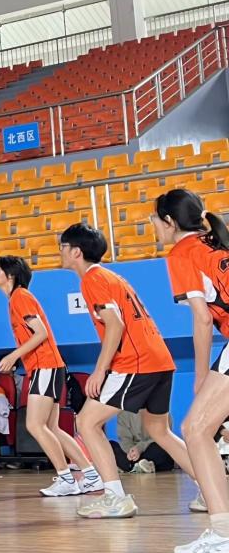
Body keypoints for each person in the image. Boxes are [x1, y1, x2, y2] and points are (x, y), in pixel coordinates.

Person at [59, 223, 198, 520]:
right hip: (159, 359)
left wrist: (100, 370)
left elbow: (115, 325)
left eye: (63, 247)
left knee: (86, 422)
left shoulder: (93, 279)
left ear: (76, 252)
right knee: (159, 431)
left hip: (137, 362)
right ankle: (212, 488)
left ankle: (115, 498)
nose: (60, 252)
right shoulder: (112, 277)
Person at [149, 190, 229, 553]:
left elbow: (202, 319)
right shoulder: (214, 243)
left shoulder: (182, 253)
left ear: (169, 221)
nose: (152, 225)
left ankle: (223, 531)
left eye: (155, 218)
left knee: (195, 428)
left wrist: (200, 376)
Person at [0, 255, 102, 497]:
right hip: (47, 367)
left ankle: (66, 478)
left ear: (10, 275)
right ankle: (91, 475)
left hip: (46, 366)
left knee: (35, 424)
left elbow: (40, 333)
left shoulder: (20, 297)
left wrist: (13, 356)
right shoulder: (16, 299)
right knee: (53, 427)